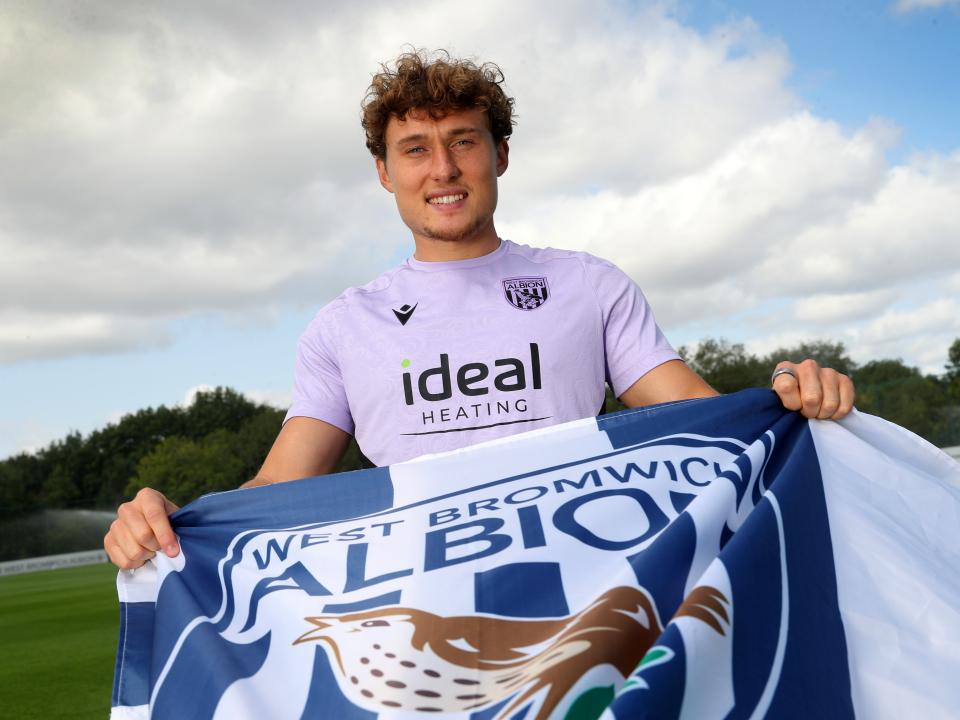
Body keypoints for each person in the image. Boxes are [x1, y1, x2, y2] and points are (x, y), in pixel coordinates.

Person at [104, 50, 855, 570]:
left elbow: (705, 422)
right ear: (383, 171)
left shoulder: (586, 285)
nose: (443, 169)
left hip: (595, 594)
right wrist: (175, 514)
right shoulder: (344, 326)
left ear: (500, 154)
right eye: (416, 149)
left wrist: (785, 397)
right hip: (428, 610)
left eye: (464, 141)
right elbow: (279, 488)